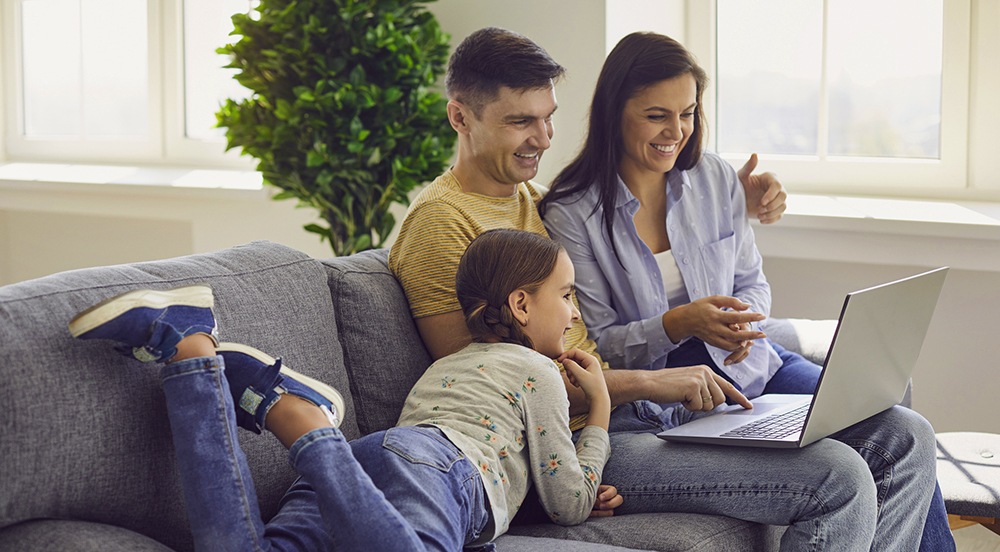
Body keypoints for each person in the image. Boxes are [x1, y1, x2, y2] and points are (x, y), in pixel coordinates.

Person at [390, 27, 953, 551]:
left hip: (646, 412)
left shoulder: (529, 199)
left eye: (547, 117)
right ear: (459, 116)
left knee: (900, 433)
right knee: (842, 474)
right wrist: (651, 381)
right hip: (591, 438)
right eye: (520, 122)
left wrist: (738, 201)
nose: (542, 137)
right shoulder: (444, 223)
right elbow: (488, 391)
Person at [67, 229, 617, 551]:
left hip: (378, 458)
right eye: (566, 295)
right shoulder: (535, 370)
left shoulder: (449, 366)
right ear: (521, 305)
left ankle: (191, 352)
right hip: (437, 468)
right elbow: (569, 501)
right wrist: (599, 415)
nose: (573, 312)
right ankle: (306, 424)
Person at [537, 31, 821, 406]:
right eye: (656, 116)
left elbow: (752, 282)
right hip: (668, 393)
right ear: (613, 113)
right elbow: (599, 345)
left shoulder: (715, 177)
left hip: (753, 366)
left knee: (893, 421)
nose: (676, 132)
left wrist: (743, 323)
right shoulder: (572, 215)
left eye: (687, 113)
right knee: (837, 457)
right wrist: (680, 322)